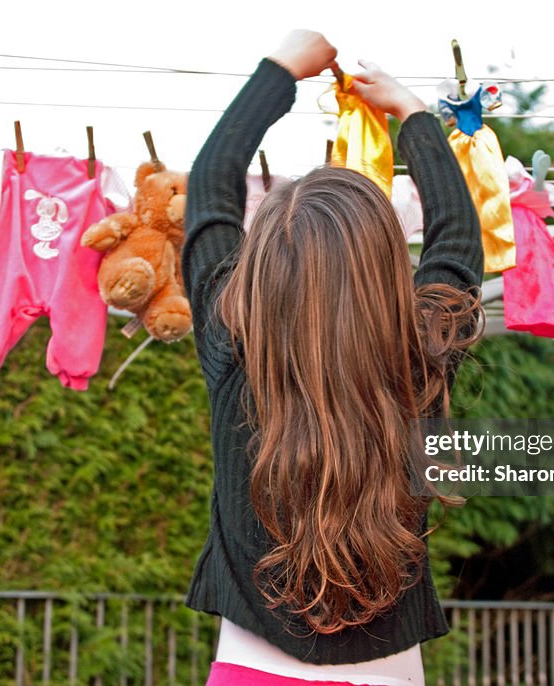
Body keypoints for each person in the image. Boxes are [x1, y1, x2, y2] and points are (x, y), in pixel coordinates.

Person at [182, 30, 484, 686]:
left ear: (259, 276)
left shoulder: (233, 352)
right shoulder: (423, 360)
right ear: (384, 270)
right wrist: (412, 116)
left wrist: (281, 71)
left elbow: (209, 190)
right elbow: (457, 240)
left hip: (250, 669)